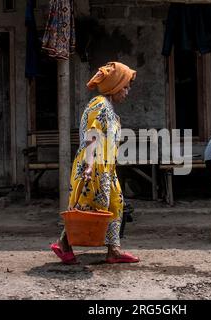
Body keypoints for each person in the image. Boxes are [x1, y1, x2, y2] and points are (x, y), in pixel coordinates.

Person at [50, 62, 140, 264]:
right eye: (125, 87)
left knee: (115, 204)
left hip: (106, 168)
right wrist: (89, 166)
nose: (127, 91)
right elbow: (92, 136)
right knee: (85, 206)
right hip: (94, 166)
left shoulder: (108, 107)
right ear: (115, 86)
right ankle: (63, 243)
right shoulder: (99, 104)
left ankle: (113, 250)